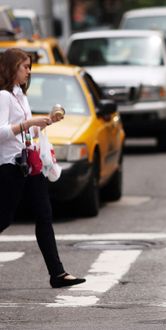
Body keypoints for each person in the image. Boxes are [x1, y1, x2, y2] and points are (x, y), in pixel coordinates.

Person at [0, 48, 86, 289]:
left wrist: (45, 122)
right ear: (11, 68)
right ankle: (57, 273)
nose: (29, 71)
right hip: (10, 166)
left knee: (44, 216)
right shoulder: (4, 96)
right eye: (24, 66)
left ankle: (57, 273)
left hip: (29, 163)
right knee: (4, 218)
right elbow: (2, 132)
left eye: (29, 66)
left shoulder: (20, 95)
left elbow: (25, 131)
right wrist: (29, 122)